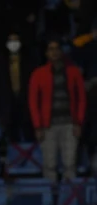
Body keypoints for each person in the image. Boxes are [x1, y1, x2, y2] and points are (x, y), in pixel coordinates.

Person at [28, 39, 86, 182]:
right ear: (47, 53)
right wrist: (38, 126)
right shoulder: (38, 74)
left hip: (70, 125)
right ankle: (50, 201)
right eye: (50, 49)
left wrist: (78, 123)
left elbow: (82, 99)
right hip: (48, 126)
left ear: (61, 51)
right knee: (49, 165)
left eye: (57, 48)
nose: (54, 52)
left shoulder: (74, 72)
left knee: (70, 165)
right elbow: (33, 102)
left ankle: (69, 201)